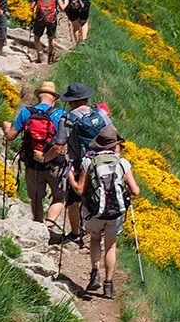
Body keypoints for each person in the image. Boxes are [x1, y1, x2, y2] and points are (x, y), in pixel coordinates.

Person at [68, 126, 140, 299]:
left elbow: (79, 189)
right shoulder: (122, 162)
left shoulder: (88, 161)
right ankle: (108, 285)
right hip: (115, 212)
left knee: (94, 239)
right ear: (115, 145)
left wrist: (70, 175)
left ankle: (95, 273)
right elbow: (136, 191)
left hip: (94, 211)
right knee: (111, 245)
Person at [43, 82, 112, 245]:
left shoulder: (67, 119)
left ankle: (75, 233)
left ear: (72, 101)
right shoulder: (101, 114)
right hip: (103, 164)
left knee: (73, 201)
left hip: (79, 165)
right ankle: (99, 233)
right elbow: (113, 136)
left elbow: (58, 146)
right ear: (86, 99)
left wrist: (44, 159)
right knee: (101, 194)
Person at [2, 81, 66, 235]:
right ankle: (48, 227)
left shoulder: (26, 112)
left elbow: (10, 136)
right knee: (59, 198)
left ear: (38, 96)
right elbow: (63, 142)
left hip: (32, 163)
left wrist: (6, 127)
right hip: (54, 164)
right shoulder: (60, 115)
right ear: (54, 99)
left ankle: (37, 229)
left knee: (36, 197)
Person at [30, 0, 68, 64]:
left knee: (36, 38)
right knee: (51, 38)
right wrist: (66, 1)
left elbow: (32, 7)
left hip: (40, 18)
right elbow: (62, 7)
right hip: (52, 19)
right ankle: (51, 56)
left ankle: (40, 54)